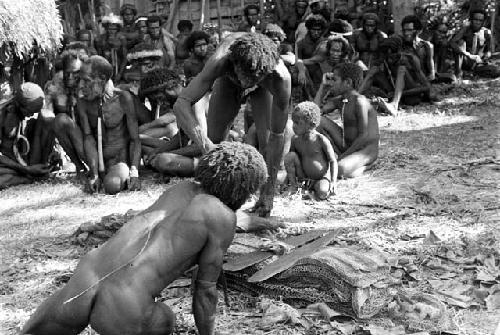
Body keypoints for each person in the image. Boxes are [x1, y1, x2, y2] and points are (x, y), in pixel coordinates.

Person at [21, 142, 268, 335]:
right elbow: (205, 290)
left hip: (84, 277)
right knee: (164, 319)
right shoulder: (222, 218)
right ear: (242, 189)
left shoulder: (180, 190)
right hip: (124, 308)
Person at [173, 33, 291, 217]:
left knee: (267, 140)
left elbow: (278, 135)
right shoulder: (220, 60)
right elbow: (181, 103)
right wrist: (207, 148)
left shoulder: (280, 78)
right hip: (227, 82)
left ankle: (263, 197)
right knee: (215, 141)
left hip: (264, 87)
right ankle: (215, 197)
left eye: (252, 79)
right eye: (244, 76)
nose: (246, 84)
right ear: (234, 63)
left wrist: (268, 193)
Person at [77, 55, 141, 195]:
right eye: (80, 80)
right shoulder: (83, 103)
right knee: (61, 121)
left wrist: (134, 172)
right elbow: (88, 138)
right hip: (95, 160)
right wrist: (94, 174)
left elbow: (135, 139)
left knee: (111, 185)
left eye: (87, 81)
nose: (81, 86)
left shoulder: (123, 98)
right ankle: (86, 171)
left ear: (102, 79)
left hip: (118, 161)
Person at [316, 63, 379, 178]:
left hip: (365, 150)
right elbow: (313, 114)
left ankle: (367, 165)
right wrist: (322, 86)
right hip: (348, 145)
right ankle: (345, 161)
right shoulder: (340, 100)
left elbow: (363, 137)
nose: (332, 83)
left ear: (348, 82)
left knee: (340, 168)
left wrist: (342, 157)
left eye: (335, 80)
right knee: (318, 120)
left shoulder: (360, 102)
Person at [0, 83, 51, 189]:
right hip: (7, 165)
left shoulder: (36, 114)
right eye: (30, 112)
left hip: (26, 161)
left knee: (48, 118)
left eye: (35, 112)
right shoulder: (2, 115)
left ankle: (36, 172)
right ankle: (27, 177)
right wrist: (26, 169)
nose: (32, 115)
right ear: (19, 105)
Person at [284, 101, 337, 199]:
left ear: (311, 124)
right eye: (293, 122)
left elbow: (333, 161)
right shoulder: (295, 139)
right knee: (290, 156)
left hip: (320, 178)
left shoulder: (321, 140)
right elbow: (292, 160)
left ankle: (312, 190)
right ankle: (294, 187)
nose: (293, 126)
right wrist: (287, 180)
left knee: (323, 193)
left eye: (297, 123)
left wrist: (333, 182)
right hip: (303, 177)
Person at [450, 8, 500, 79]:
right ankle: (458, 73)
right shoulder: (465, 30)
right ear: (471, 20)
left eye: (480, 20)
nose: (478, 22)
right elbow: (452, 42)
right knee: (461, 42)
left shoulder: (486, 32)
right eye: (475, 19)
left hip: (478, 64)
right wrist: (468, 55)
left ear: (484, 22)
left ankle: (473, 73)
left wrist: (486, 56)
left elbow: (489, 51)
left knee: (497, 70)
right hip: (465, 61)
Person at [400, 15, 435, 81]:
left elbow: (431, 72)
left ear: (419, 31)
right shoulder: (400, 45)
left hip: (422, 81)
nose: (406, 33)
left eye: (410, 30)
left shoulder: (426, 46)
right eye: (404, 30)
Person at [95, 14, 128, 83]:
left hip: (118, 69)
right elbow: (99, 57)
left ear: (117, 29)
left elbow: (125, 58)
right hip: (105, 70)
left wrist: (120, 74)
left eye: (114, 29)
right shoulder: (101, 39)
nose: (111, 31)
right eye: (109, 28)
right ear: (106, 28)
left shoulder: (122, 39)